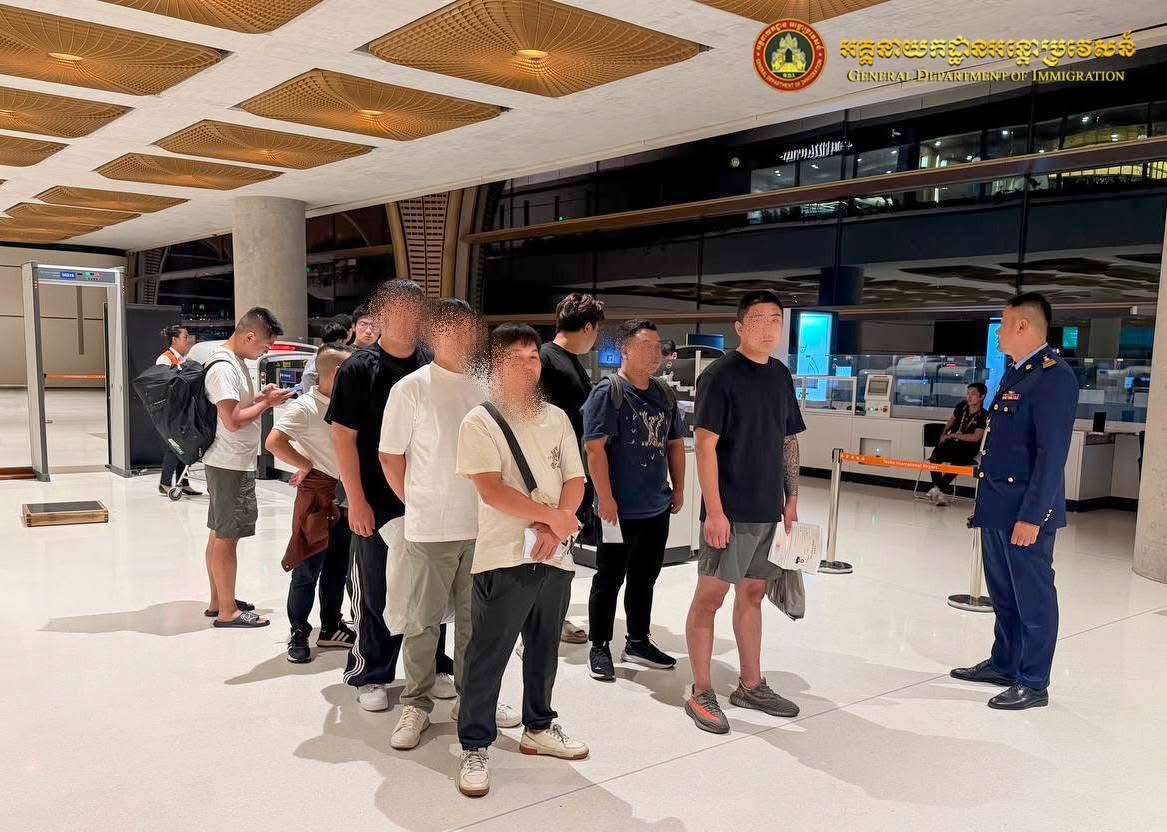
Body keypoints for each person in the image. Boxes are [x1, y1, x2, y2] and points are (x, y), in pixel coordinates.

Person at [454, 324, 588, 797]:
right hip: (504, 553)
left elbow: (575, 478)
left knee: (544, 646)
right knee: (488, 653)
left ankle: (539, 726)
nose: (528, 365)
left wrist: (555, 526)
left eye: (533, 357)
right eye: (515, 358)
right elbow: (491, 490)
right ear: (495, 366)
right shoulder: (480, 421)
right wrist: (553, 519)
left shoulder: (557, 417)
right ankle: (474, 744)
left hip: (555, 553)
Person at [380, 299, 520, 750]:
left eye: (466, 329)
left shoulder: (487, 385)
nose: (459, 337)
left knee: (474, 622)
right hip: (430, 527)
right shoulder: (411, 388)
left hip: (483, 525)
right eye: (448, 329)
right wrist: (418, 501)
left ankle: (470, 699)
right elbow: (389, 456)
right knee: (422, 622)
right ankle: (416, 703)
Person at [327, 280, 452, 711]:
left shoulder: (432, 363)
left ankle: (434, 666)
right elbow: (343, 437)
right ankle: (371, 672)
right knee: (376, 591)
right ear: (379, 314)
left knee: (433, 589)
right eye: (397, 310)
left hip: (428, 500)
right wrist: (356, 500)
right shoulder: (359, 368)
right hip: (376, 500)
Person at [683, 290, 804, 734]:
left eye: (775, 319)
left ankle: (750, 684)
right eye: (759, 319)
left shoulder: (780, 375)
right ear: (739, 326)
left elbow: (788, 440)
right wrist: (715, 511)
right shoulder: (719, 376)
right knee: (709, 598)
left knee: (752, 594)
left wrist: (791, 497)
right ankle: (700, 691)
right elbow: (706, 447)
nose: (769, 327)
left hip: (767, 508)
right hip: (729, 511)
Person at [952, 293, 1078, 711]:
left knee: (1032, 596)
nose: (998, 333)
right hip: (997, 505)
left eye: (1003, 325)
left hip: (1025, 511)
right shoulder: (1016, 372)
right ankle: (1005, 663)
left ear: (1023, 326)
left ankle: (1033, 680)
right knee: (1003, 593)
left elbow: (1051, 455)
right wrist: (985, 502)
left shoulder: (1053, 377)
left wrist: (1033, 516)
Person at [582, 320, 685, 682]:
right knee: (609, 578)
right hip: (618, 510)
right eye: (645, 346)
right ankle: (599, 645)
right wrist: (605, 498)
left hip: (656, 507)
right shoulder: (608, 392)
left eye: (658, 346)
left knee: (645, 578)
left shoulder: (664, 393)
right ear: (624, 349)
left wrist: (679, 488)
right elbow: (594, 450)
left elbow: (674, 443)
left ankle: (638, 640)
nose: (655, 353)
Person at [203, 308, 294, 628]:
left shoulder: (233, 361)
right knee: (227, 537)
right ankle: (227, 611)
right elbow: (232, 419)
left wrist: (261, 397)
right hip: (229, 462)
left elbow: (236, 404)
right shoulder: (223, 367)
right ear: (250, 336)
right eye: (265, 345)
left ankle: (219, 601)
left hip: (228, 461)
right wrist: (266, 404)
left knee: (219, 533)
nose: (265, 352)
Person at [266, 344, 357, 663]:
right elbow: (274, 442)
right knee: (306, 566)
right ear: (338, 372)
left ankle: (331, 626)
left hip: (346, 496)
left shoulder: (349, 404)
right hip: (317, 495)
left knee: (337, 568)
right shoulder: (305, 406)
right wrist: (305, 464)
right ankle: (298, 631)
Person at [539, 292, 606, 645]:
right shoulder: (548, 360)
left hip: (569, 472)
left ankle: (552, 617)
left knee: (562, 551)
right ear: (589, 328)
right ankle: (537, 627)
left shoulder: (565, 361)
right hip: (551, 474)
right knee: (547, 550)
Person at [156, 325, 201, 497]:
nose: (188, 340)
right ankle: (165, 483)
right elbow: (164, 385)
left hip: (185, 409)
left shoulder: (184, 359)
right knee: (174, 445)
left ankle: (183, 482)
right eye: (185, 337)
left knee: (186, 445)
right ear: (174, 340)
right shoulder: (165, 359)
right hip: (171, 411)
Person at [926, 382, 988, 506]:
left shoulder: (984, 415)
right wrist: (943, 434)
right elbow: (951, 421)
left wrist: (953, 435)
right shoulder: (962, 406)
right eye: (968, 393)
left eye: (973, 394)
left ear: (982, 397)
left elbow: (976, 437)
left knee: (958, 462)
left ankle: (937, 489)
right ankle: (938, 490)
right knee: (935, 455)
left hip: (968, 448)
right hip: (952, 444)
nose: (969, 397)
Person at [301, 315, 354, 390]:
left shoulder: (322, 351)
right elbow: (308, 375)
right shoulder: (327, 354)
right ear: (340, 341)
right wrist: (311, 395)